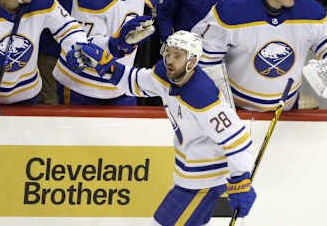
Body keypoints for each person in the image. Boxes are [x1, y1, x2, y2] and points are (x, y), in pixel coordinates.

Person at [67, 31, 256, 225]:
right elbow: (136, 82)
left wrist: (240, 180)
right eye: (168, 53)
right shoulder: (165, 75)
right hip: (189, 179)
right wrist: (108, 66)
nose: (170, 60)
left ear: (192, 61)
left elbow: (236, 138)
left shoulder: (201, 95)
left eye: (178, 56)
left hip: (206, 181)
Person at [191, 0, 327, 112]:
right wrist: (217, 104)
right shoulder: (232, 13)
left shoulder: (311, 12)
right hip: (237, 110)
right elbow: (201, 59)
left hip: (287, 110)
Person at [53, 0, 154, 106]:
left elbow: (126, 5)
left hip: (121, 82)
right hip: (83, 86)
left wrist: (147, 3)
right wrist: (116, 44)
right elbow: (84, 49)